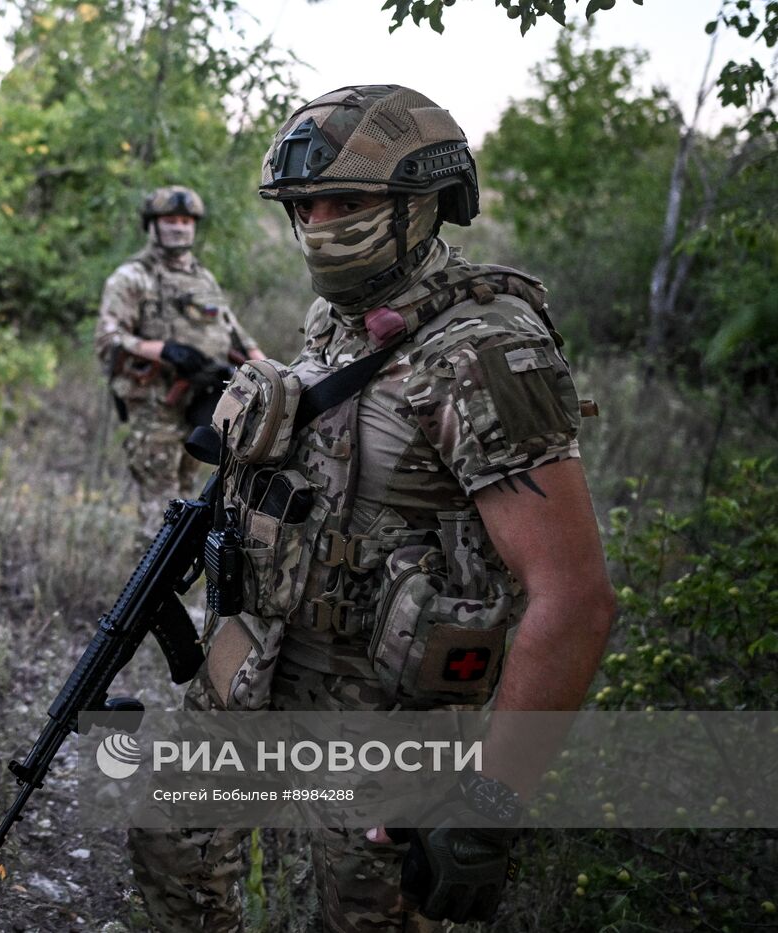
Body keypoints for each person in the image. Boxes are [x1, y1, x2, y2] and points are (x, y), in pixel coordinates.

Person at [127, 85, 616, 932]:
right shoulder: (337, 318)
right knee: (168, 841)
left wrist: (489, 804)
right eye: (304, 206)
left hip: (383, 719)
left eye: (346, 202)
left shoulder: (488, 348)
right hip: (259, 665)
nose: (319, 223)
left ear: (424, 204)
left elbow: (573, 601)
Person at [95, 186, 266, 544]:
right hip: (156, 407)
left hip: (200, 406)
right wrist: (164, 350)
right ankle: (147, 596)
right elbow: (108, 340)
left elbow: (235, 333)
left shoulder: (203, 279)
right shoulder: (132, 277)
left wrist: (268, 371)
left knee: (193, 505)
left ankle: (187, 599)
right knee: (160, 509)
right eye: (169, 221)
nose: (179, 228)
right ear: (152, 226)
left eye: (186, 221)